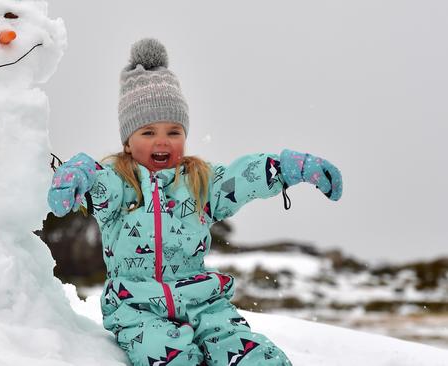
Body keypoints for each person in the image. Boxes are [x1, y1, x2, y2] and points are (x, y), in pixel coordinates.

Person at [47, 38, 342, 366]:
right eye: (148, 132)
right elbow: (96, 185)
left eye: (174, 131)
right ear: (128, 142)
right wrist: (78, 174)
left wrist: (286, 167)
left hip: (203, 303)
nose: (162, 140)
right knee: (173, 358)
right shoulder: (119, 181)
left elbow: (241, 178)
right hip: (137, 310)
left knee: (256, 356)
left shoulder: (200, 180)